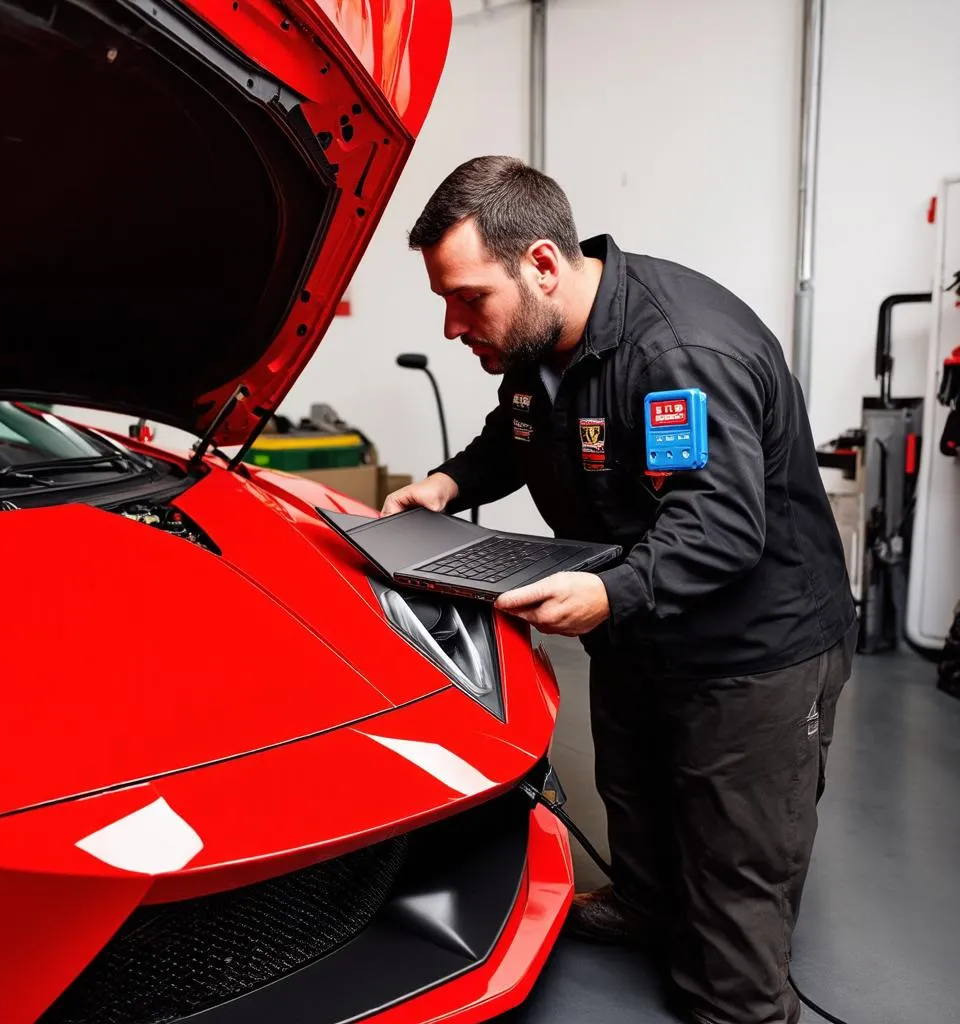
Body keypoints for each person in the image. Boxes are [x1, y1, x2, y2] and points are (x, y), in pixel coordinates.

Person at [381, 155, 858, 1024]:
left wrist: (605, 597)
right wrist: (449, 484)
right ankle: (645, 906)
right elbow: (516, 430)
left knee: (733, 871)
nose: (454, 325)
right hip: (641, 619)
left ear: (543, 265)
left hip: (752, 650)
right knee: (634, 793)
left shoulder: (677, 354)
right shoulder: (539, 346)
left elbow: (717, 526)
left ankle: (743, 1002)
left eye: (468, 297)